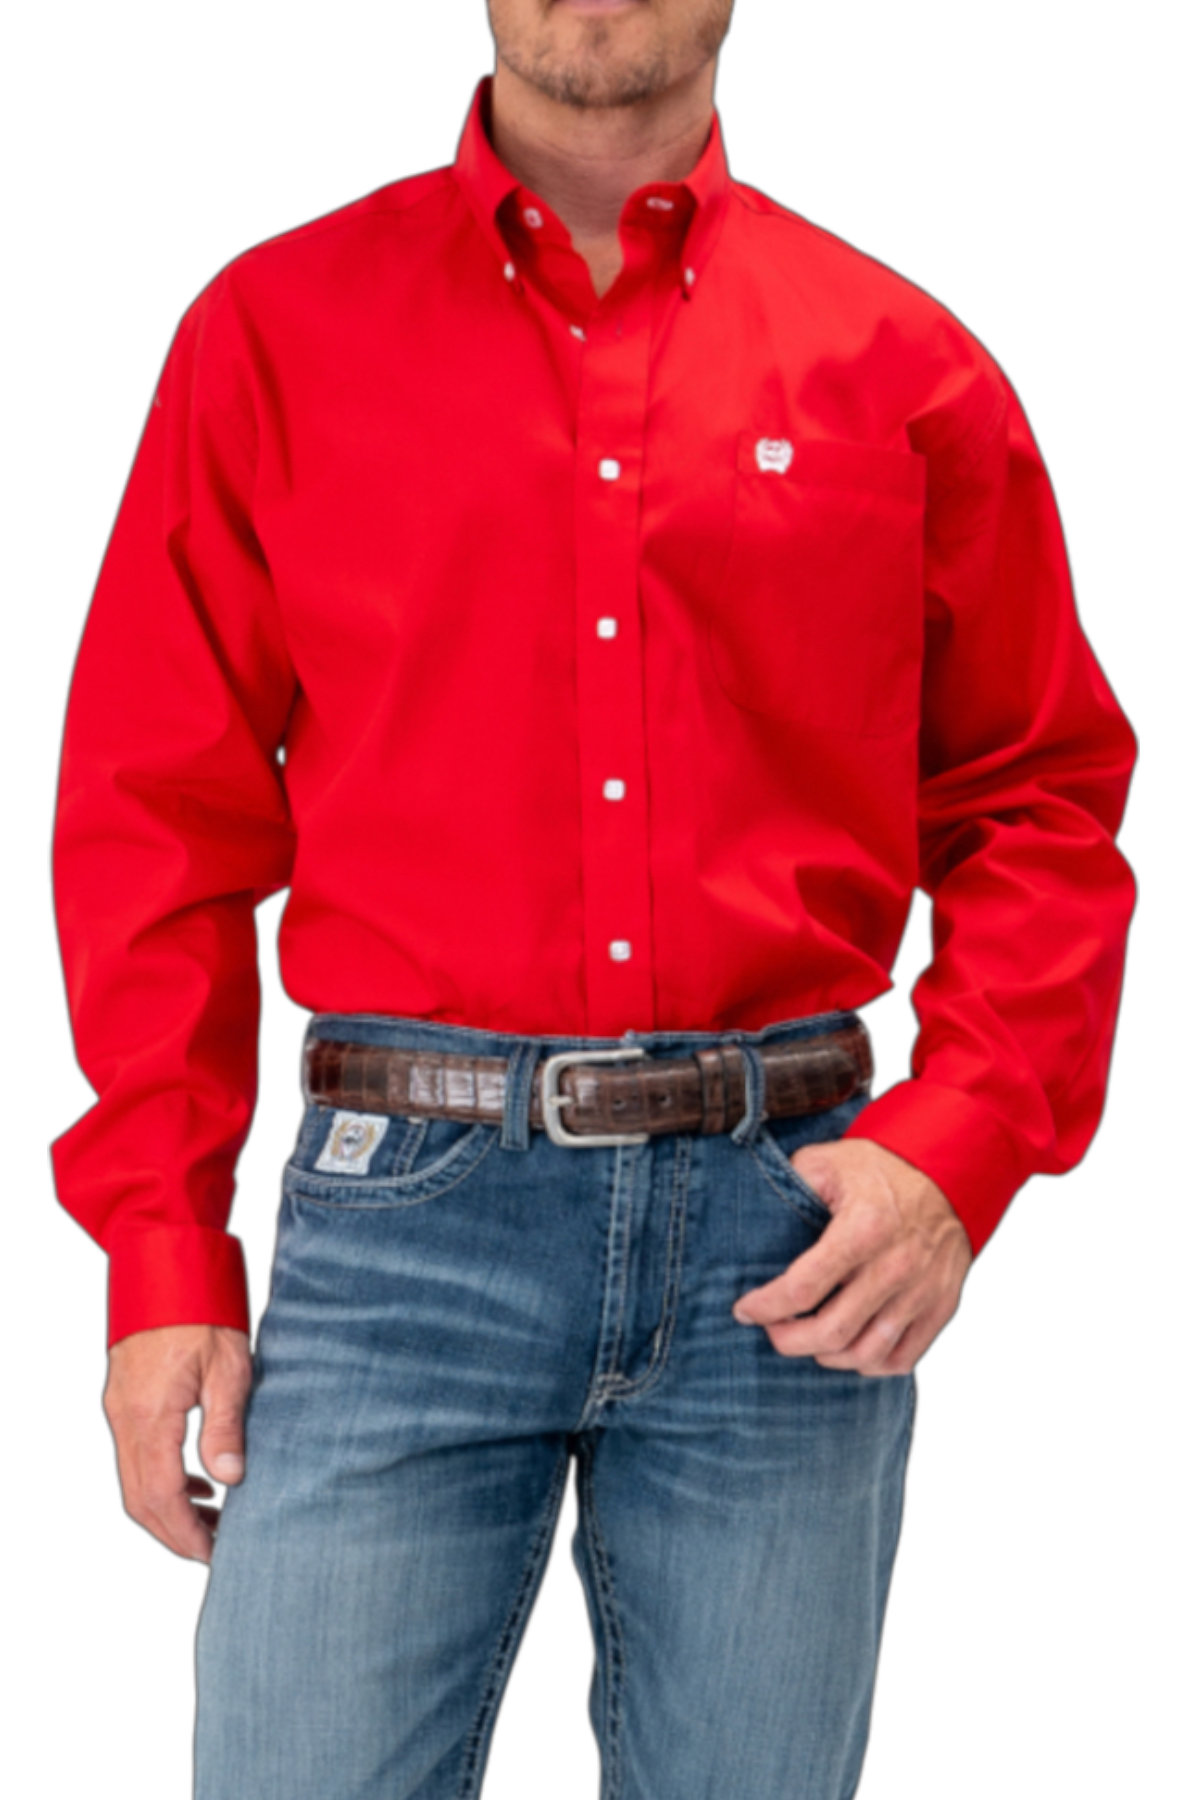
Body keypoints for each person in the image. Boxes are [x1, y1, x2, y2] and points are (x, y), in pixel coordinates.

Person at [51, 1, 1136, 1795]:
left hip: (792, 1238)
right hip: (401, 1224)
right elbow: (156, 818)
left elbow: (1039, 794)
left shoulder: (900, 357)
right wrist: (164, 1252)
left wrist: (966, 1140)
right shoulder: (275, 329)